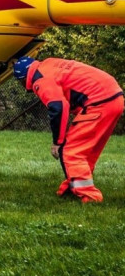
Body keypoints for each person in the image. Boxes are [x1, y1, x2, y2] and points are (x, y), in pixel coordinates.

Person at [13, 56, 123, 203]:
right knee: (86, 151)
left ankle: (90, 196)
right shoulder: (48, 64)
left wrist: (57, 142)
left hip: (99, 102)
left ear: (23, 79)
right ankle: (72, 187)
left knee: (70, 151)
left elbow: (58, 107)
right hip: (114, 97)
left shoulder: (40, 80)